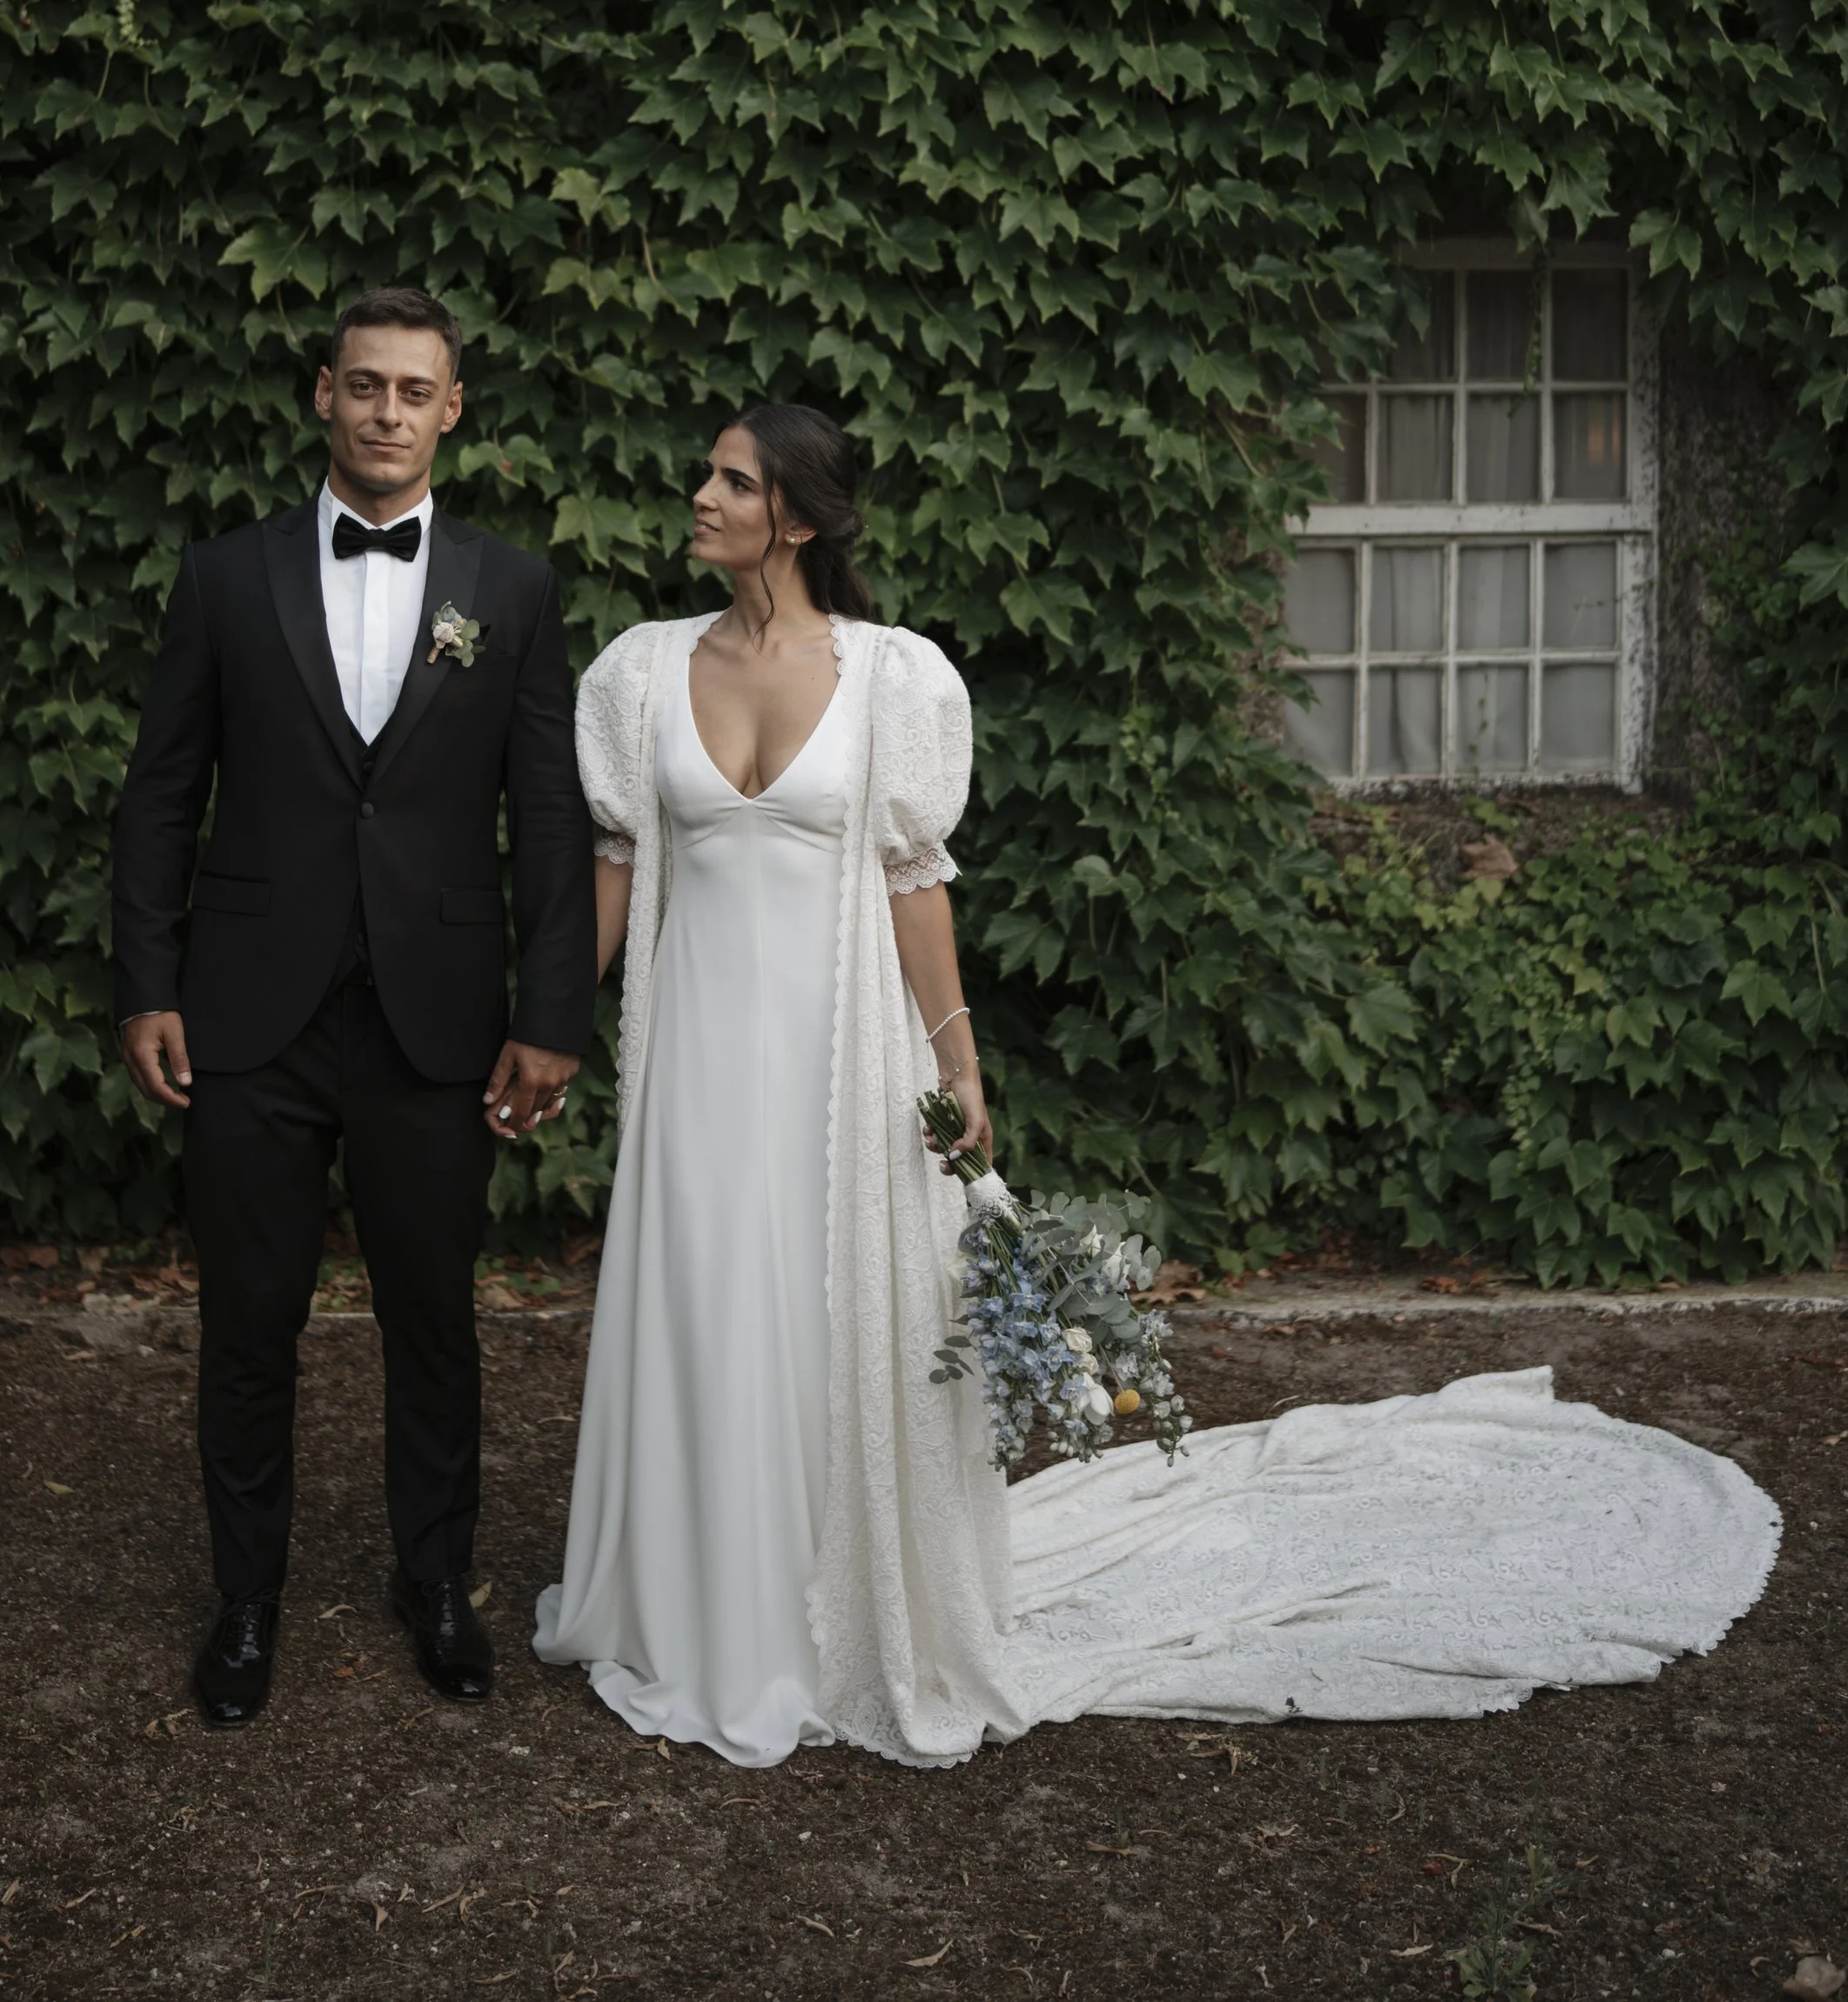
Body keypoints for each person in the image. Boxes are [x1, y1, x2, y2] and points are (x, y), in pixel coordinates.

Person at [535, 403, 1780, 1770]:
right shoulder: (643, 671)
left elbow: (911, 880)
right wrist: (543, 1025)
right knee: (707, 1301)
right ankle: (698, 1599)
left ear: (802, 516)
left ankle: (820, 1606)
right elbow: (613, 868)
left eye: (731, 479)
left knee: (830, 1313)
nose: (699, 494)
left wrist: (958, 1059)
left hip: (840, 1062)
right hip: (702, 1058)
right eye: (709, 475)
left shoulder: (894, 677)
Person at [113, 286, 596, 1726]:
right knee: (248, 1322)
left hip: (437, 1019)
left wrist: (551, 1011)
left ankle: (434, 1583)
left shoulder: (511, 591)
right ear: (323, 393)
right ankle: (245, 1599)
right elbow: (159, 797)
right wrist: (148, 980)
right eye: (365, 384)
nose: (388, 411)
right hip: (247, 1014)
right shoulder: (223, 576)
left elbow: (552, 820)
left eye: (415, 390)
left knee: (431, 1320)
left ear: (453, 410)